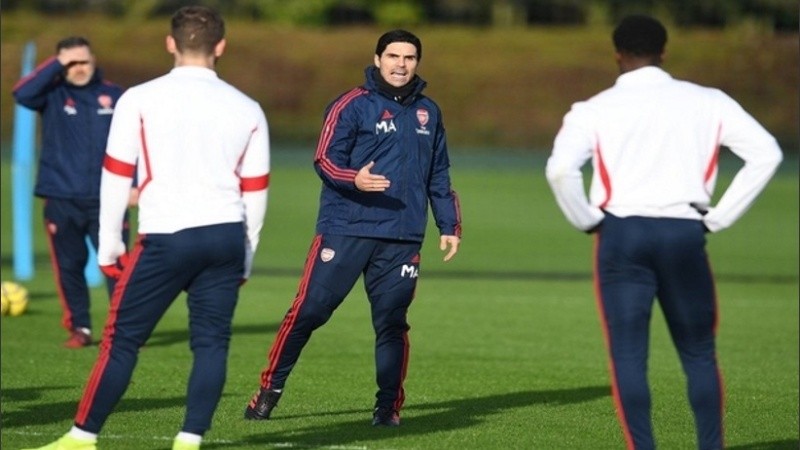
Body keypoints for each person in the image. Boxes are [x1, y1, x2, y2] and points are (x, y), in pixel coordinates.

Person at [23, 5, 270, 450]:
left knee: (122, 340)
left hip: (167, 236)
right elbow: (256, 190)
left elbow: (116, 173)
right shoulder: (248, 107)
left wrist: (109, 244)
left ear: (170, 44)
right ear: (221, 46)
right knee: (212, 343)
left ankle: (81, 438)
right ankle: (189, 440)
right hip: (226, 237)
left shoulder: (137, 98)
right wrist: (247, 253)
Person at [545, 14, 783, 450]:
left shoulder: (593, 109)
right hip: (684, 232)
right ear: (664, 51)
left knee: (629, 356)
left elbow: (561, 170)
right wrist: (718, 216)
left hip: (621, 235)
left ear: (617, 54)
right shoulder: (708, 101)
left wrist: (587, 219)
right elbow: (766, 153)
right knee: (698, 353)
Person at [244, 29, 461, 427]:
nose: (401, 64)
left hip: (401, 236)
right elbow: (325, 159)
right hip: (347, 228)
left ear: (418, 63)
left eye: (409, 58)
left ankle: (386, 409)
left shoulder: (429, 112)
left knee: (393, 323)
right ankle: (269, 390)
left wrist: (449, 223)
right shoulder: (352, 104)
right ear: (378, 59)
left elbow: (439, 173)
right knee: (309, 312)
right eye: (393, 56)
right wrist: (353, 179)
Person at [13, 36, 135, 348]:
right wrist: (57, 64)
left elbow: (137, 143)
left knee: (117, 264)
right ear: (61, 64)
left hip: (108, 199)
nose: (79, 68)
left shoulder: (115, 95)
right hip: (61, 197)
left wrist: (134, 184)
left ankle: (124, 330)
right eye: (71, 63)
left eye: (84, 61)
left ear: (94, 61)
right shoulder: (52, 94)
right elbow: (22, 92)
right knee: (69, 265)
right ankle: (81, 328)